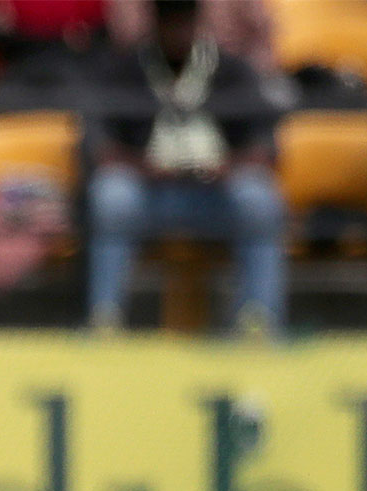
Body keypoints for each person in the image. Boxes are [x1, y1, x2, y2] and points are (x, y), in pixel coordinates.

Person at [84, 0, 285, 334]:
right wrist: (144, 168)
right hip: (148, 194)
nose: (178, 34)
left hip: (216, 194)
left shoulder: (231, 70)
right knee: (112, 195)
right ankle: (105, 317)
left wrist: (226, 167)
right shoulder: (124, 71)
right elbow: (98, 147)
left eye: (184, 24)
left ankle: (258, 320)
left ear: (197, 23)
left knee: (259, 200)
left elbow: (265, 148)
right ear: (155, 25)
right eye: (170, 25)